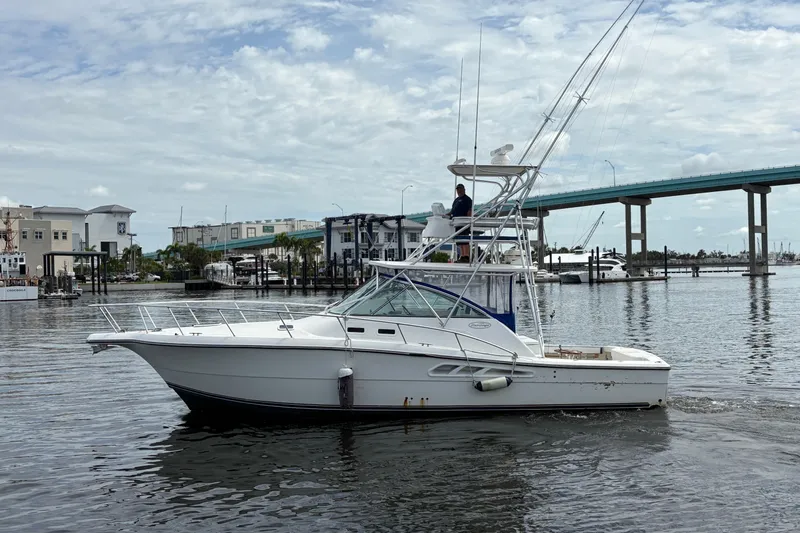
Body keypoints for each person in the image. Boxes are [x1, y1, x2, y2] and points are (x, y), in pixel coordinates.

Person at [447, 184, 473, 261]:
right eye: (458, 190)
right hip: (456, 223)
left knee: (465, 239)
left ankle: (467, 256)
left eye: (460, 189)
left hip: (464, 222)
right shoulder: (456, 200)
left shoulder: (467, 199)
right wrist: (446, 215)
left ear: (464, 190)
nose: (459, 191)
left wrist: (468, 221)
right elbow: (452, 211)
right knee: (459, 240)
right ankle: (462, 255)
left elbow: (470, 210)